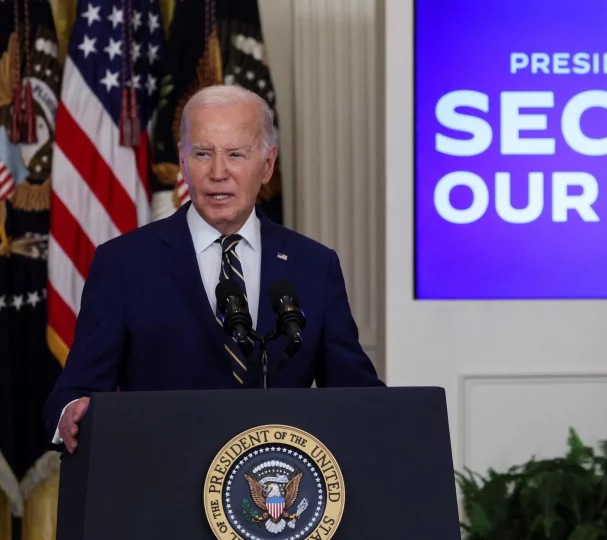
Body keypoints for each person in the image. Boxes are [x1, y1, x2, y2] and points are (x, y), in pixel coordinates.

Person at [43, 85, 383, 453]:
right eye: (203, 153)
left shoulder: (315, 266)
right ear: (182, 160)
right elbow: (75, 390)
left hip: (277, 495)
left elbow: (356, 391)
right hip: (159, 485)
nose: (218, 172)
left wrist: (397, 421)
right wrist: (69, 413)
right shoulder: (123, 263)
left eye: (236, 154)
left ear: (267, 165)